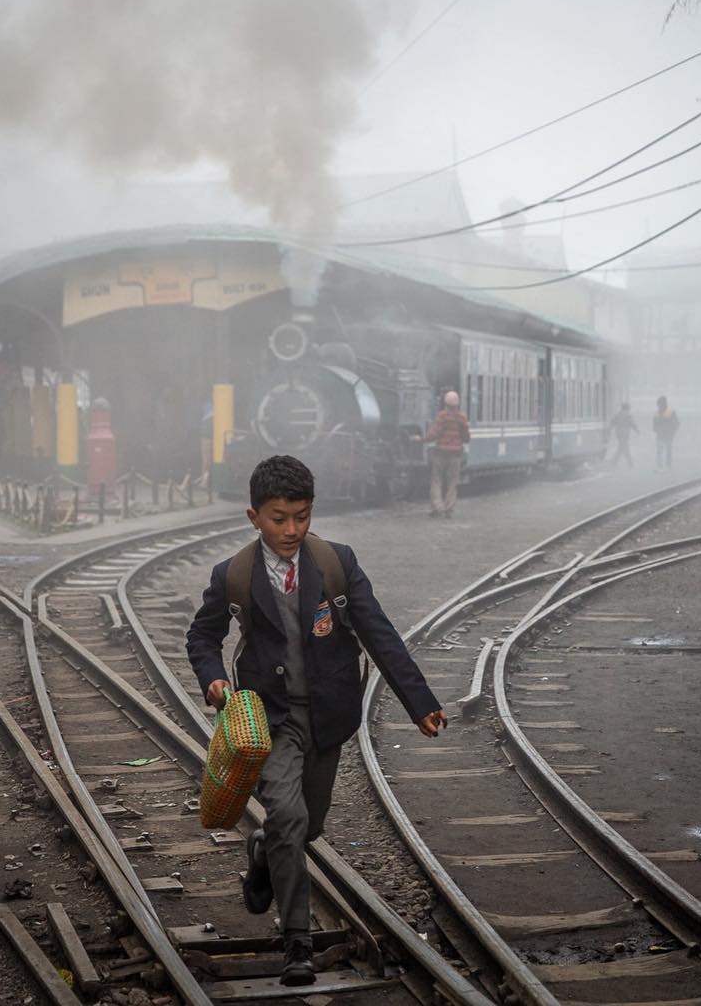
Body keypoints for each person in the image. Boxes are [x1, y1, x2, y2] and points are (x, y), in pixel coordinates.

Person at [185, 455, 447, 986]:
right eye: (279, 518)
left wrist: (419, 702)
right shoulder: (233, 575)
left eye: (301, 517)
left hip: (328, 714)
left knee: (311, 823)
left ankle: (263, 853)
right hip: (269, 720)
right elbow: (202, 637)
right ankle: (297, 943)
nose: (291, 529)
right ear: (253, 516)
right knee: (287, 815)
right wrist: (212, 677)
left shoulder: (336, 564)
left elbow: (379, 633)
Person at [420, 390, 470, 518]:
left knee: (436, 481)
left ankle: (437, 507)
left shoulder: (442, 416)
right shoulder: (462, 417)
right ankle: (449, 510)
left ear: (445, 403)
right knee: (452, 483)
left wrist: (422, 439)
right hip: (455, 455)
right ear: (457, 404)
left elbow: (434, 434)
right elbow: (466, 438)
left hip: (440, 453)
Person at [653, 395, 679, 471]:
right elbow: (654, 424)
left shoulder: (670, 412)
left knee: (668, 450)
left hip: (668, 435)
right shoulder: (657, 413)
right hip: (660, 435)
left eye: (659, 404)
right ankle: (659, 466)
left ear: (664, 403)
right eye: (658, 404)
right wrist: (656, 429)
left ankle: (668, 465)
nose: (658, 406)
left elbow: (676, 423)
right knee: (659, 451)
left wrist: (672, 432)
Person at [609, 402, 638, 468]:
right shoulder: (628, 415)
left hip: (618, 434)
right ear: (627, 408)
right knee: (625, 448)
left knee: (621, 448)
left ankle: (614, 462)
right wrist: (637, 430)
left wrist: (609, 429)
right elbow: (632, 423)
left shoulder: (617, 414)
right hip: (625, 434)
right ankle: (630, 464)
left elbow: (612, 422)